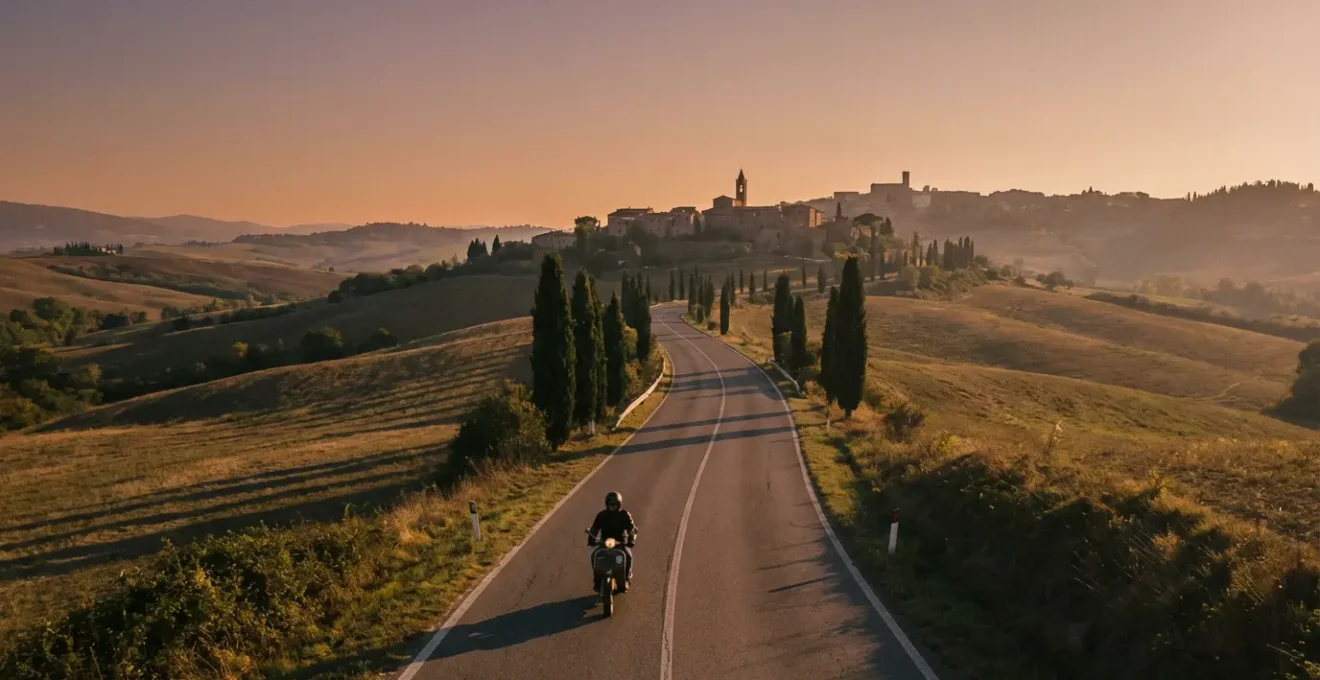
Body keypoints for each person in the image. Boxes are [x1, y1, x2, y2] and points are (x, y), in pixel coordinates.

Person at [588, 490, 637, 592]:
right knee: (594, 556)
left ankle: (626, 578)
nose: (613, 507)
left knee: (628, 556)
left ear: (619, 505)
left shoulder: (624, 515)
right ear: (607, 504)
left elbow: (631, 528)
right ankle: (597, 581)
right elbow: (594, 528)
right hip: (604, 541)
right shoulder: (601, 515)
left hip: (620, 542)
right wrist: (591, 539)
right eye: (611, 505)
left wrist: (630, 540)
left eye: (615, 505)